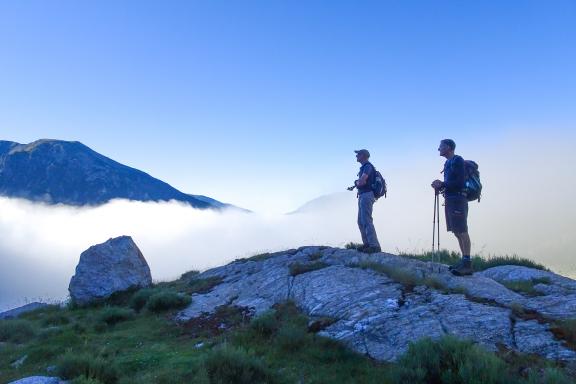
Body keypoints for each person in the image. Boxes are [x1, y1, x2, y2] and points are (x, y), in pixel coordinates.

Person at [431, 139, 473, 276]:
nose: (439, 149)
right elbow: (450, 182)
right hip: (451, 199)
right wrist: (440, 184)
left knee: (462, 230)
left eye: (441, 146)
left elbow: (459, 182)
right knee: (456, 231)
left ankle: (467, 264)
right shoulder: (448, 162)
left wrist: (442, 184)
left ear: (448, 147)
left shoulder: (457, 160)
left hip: (458, 199)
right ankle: (463, 261)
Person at [349, 149, 381, 253]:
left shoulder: (367, 166)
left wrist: (357, 183)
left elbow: (362, 181)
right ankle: (367, 244)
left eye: (358, 154)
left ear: (363, 156)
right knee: (360, 221)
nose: (356, 156)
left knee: (366, 220)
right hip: (364, 195)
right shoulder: (364, 167)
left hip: (366, 195)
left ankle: (374, 246)